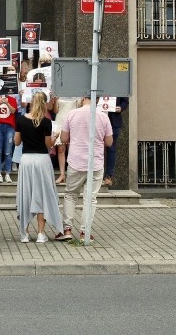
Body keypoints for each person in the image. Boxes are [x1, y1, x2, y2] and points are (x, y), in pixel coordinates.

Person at [59, 96, 114, 242]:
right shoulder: (103, 116)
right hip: (95, 162)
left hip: (76, 160)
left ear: (83, 98)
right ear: (98, 99)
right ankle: (85, 232)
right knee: (90, 199)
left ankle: (67, 229)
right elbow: (109, 142)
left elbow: (64, 139)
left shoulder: (72, 114)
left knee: (70, 195)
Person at [14, 92, 67, 243]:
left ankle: (24, 233)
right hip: (42, 160)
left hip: (26, 160)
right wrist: (55, 137)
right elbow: (48, 145)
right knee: (42, 194)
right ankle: (41, 233)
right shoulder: (46, 122)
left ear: (31, 102)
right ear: (44, 104)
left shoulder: (20, 120)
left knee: (26, 194)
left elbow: (17, 142)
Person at [0, 90, 17, 183]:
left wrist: (7, 102)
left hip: (10, 127)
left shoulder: (12, 99)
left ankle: (8, 174)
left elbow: (13, 111)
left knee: (8, 152)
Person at [103, 97, 129, 187]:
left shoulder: (118, 83)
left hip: (114, 120)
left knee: (111, 148)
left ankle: (108, 176)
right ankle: (92, 174)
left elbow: (125, 101)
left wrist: (121, 108)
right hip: (97, 118)